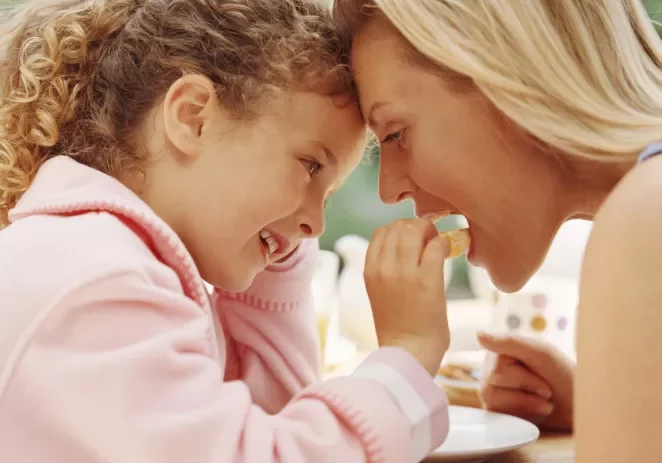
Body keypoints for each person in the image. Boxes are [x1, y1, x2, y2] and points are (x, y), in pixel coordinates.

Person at [0, 1, 454, 462]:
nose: (315, 224)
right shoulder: (93, 282)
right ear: (193, 117)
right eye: (310, 165)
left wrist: (274, 273)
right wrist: (407, 356)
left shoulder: (107, 262)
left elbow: (266, 422)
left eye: (329, 194)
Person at [333, 0, 662, 460]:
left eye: (395, 133)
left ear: (509, 81)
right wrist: (609, 402)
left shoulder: (645, 217)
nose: (390, 190)